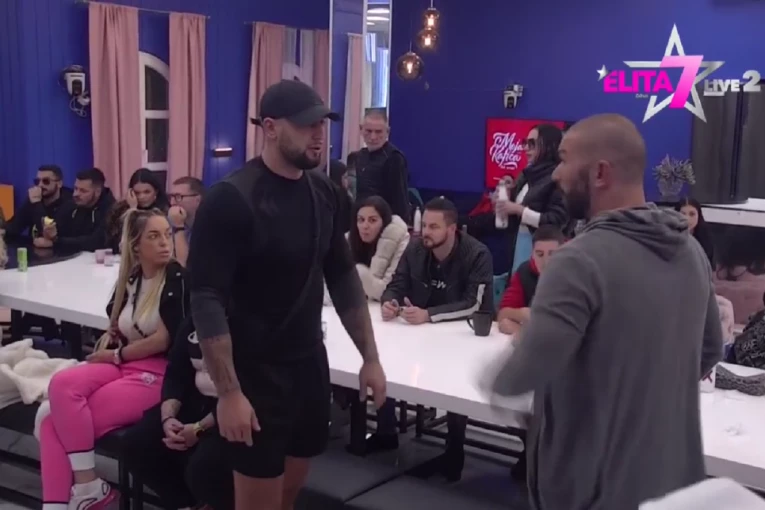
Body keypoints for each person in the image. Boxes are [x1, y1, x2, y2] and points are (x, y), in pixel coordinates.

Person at [487, 113, 724, 510]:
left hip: (593, 489)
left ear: (599, 173)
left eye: (564, 159)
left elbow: (519, 375)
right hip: (673, 481)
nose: (556, 174)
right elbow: (711, 348)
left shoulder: (577, 261)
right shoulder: (691, 252)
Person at [187, 79, 387, 510]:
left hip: (308, 365)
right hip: (255, 373)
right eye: (306, 125)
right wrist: (229, 393)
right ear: (271, 128)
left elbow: (343, 277)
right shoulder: (231, 199)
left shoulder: (325, 192)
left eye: (322, 124)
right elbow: (205, 298)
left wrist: (370, 358)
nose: (318, 134)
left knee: (288, 496)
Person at [38, 208, 188, 510]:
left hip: (159, 372)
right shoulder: (130, 280)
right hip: (126, 364)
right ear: (136, 246)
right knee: (62, 384)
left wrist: (117, 354)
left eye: (167, 234)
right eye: (154, 236)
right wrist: (116, 343)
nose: (164, 243)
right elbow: (119, 324)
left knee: (52, 424)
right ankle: (87, 487)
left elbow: (163, 339)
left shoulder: (176, 278)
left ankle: (82, 491)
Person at [375, 197, 493, 481]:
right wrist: (390, 302)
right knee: (384, 359)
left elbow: (475, 304)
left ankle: (454, 452)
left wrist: (429, 315)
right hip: (420, 332)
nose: (425, 232)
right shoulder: (415, 249)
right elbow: (397, 283)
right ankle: (385, 431)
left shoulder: (477, 254)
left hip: (461, 337)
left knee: (455, 381)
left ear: (452, 229)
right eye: (425, 225)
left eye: (433, 227)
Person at [122, 317, 233, 510]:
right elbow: (176, 372)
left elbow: (251, 389)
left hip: (233, 409)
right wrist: (168, 417)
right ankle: (183, 505)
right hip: (195, 398)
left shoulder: (250, 320)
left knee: (204, 466)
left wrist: (198, 429)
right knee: (137, 443)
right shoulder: (195, 317)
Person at [495, 124, 569, 272]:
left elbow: (557, 220)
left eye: (532, 143)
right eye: (525, 142)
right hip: (520, 244)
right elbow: (515, 213)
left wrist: (520, 210)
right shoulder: (526, 174)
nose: (526, 148)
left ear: (549, 146)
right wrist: (507, 198)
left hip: (547, 250)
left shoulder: (559, 178)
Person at [497, 225, 564, 335]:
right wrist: (521, 314)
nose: (546, 261)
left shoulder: (574, 276)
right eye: (540, 254)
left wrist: (522, 332)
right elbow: (502, 314)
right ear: (532, 254)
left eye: (552, 254)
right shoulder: (524, 272)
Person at [347, 195, 410, 300]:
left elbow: (391, 290)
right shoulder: (348, 240)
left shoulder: (400, 240)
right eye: (361, 220)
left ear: (384, 222)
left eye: (372, 220)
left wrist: (362, 275)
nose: (365, 226)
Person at [38, 168, 115, 251]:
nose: (76, 194)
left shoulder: (112, 210)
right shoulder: (72, 205)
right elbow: (57, 228)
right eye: (75, 188)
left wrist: (56, 241)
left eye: (83, 191)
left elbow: (95, 242)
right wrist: (50, 233)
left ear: (97, 192)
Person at [355, 110, 410, 222]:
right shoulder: (360, 156)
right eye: (368, 131)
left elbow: (400, 201)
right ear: (361, 129)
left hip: (385, 223)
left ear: (387, 132)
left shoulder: (394, 158)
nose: (373, 137)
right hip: (362, 221)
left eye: (378, 132)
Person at [6, 165, 72, 240]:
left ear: (59, 184)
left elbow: (47, 232)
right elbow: (14, 227)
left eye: (46, 181)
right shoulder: (33, 200)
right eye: (37, 181)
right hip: (33, 245)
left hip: (57, 246)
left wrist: (36, 203)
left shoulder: (68, 203)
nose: (40, 185)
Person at [168, 176, 204, 267]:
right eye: (171, 197)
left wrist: (178, 227)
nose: (172, 203)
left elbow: (185, 266)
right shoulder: (169, 222)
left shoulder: (208, 228)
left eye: (178, 197)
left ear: (198, 199)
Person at [676, 197, 714, 268]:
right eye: (683, 214)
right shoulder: (669, 238)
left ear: (699, 216)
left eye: (692, 214)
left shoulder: (706, 239)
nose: (687, 218)